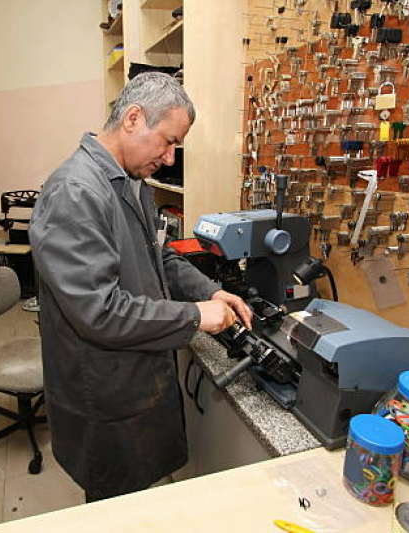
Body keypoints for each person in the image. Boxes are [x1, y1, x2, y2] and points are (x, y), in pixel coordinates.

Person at [29, 72, 253, 502]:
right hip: (103, 389)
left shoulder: (131, 182)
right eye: (168, 141)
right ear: (133, 118)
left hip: (134, 374)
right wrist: (193, 316)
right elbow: (99, 311)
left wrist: (209, 292)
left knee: (139, 496)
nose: (170, 158)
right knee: (115, 503)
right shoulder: (76, 193)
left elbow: (160, 255)